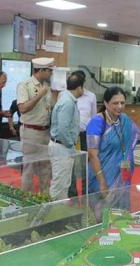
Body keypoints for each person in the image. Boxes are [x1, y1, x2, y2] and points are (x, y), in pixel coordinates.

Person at [87, 86, 139, 196]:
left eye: (122, 103)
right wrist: (102, 182)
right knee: (101, 209)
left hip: (122, 174)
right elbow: (92, 154)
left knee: (121, 211)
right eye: (115, 103)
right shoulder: (97, 122)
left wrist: (126, 156)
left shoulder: (124, 119)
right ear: (106, 103)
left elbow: (134, 135)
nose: (120, 106)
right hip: (102, 175)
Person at [17, 57, 56, 193]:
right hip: (31, 132)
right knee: (29, 167)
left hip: (46, 132)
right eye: (49, 70)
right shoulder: (25, 85)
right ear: (41, 70)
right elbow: (22, 108)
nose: (51, 73)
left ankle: (45, 197)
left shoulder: (46, 86)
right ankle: (26, 198)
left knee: (46, 167)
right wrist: (39, 95)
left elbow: (50, 107)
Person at [48, 72, 84, 200]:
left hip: (61, 146)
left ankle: (58, 213)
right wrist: (71, 145)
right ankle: (51, 215)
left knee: (63, 184)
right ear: (79, 87)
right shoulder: (68, 102)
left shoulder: (66, 99)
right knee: (60, 185)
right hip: (62, 147)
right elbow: (63, 129)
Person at [68, 70, 96, 197]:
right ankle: (72, 193)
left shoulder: (91, 96)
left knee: (85, 165)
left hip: (85, 136)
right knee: (72, 165)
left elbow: (94, 117)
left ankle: (85, 193)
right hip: (71, 136)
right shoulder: (67, 95)